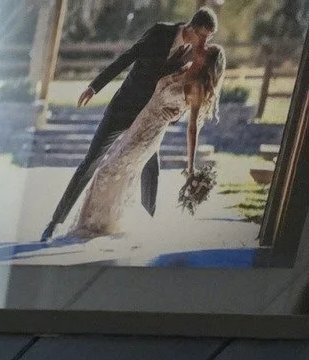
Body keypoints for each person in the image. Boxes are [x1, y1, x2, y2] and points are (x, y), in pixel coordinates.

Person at [40, 10, 221, 242]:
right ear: (192, 28)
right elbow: (128, 57)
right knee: (91, 161)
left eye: (209, 38)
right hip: (123, 108)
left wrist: (174, 116)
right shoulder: (160, 32)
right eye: (203, 36)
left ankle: (148, 223)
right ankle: (55, 222)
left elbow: (181, 93)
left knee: (151, 168)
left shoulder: (192, 54)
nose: (205, 43)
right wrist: (95, 86)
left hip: (148, 121)